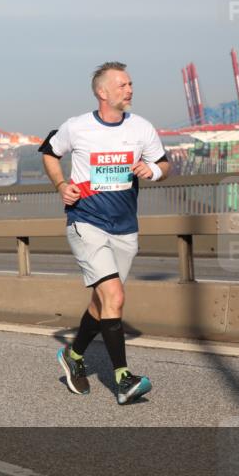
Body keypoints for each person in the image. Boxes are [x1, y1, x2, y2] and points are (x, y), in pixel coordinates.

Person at [40, 61, 169, 405]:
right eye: (123, 85)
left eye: (130, 84)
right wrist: (61, 184)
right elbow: (49, 153)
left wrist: (152, 170)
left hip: (125, 226)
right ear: (102, 92)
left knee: (102, 302)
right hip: (86, 221)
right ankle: (123, 379)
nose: (130, 90)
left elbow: (164, 163)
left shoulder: (142, 128)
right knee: (115, 296)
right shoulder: (76, 127)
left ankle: (73, 356)